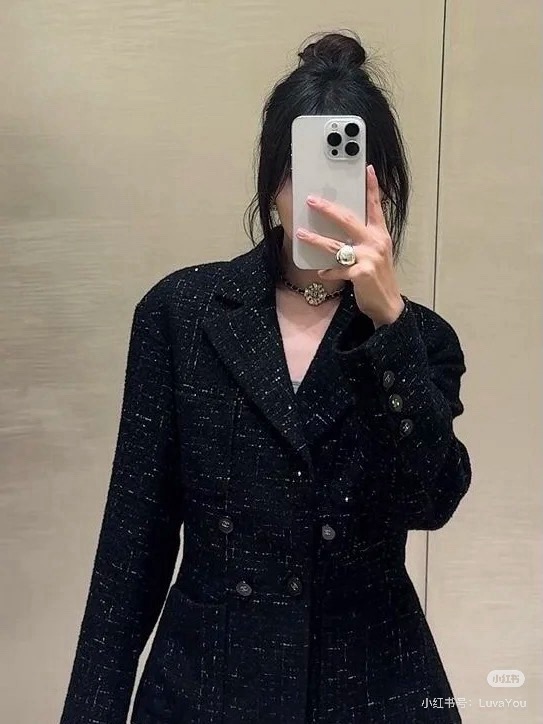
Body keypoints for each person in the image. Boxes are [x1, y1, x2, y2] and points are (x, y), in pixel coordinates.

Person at [60, 30, 471, 724]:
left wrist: (387, 325)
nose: (317, 197)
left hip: (368, 685)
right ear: (271, 177)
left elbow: (430, 502)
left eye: (344, 173)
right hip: (209, 684)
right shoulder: (182, 314)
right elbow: (133, 541)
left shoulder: (418, 339)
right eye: (297, 172)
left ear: (381, 187)